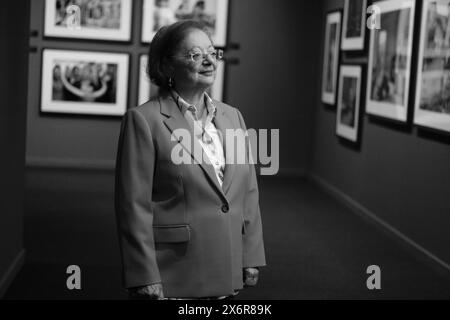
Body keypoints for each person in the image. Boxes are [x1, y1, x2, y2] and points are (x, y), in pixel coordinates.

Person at [115, 20, 266, 300]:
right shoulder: (144, 120)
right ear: (168, 66)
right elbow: (132, 207)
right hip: (175, 271)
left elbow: (248, 191)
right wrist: (143, 273)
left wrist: (251, 253)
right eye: (195, 54)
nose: (209, 61)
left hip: (226, 263)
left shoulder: (233, 116)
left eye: (212, 52)